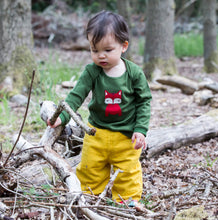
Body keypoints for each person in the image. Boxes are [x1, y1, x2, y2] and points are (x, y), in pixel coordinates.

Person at [48, 10, 152, 204]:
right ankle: (88, 197)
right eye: (94, 50)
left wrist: (141, 130)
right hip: (96, 134)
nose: (101, 56)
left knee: (128, 171)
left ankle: (127, 201)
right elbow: (76, 96)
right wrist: (62, 117)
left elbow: (144, 101)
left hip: (126, 136)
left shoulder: (134, 73)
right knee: (90, 168)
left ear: (123, 46)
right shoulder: (92, 72)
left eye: (107, 50)